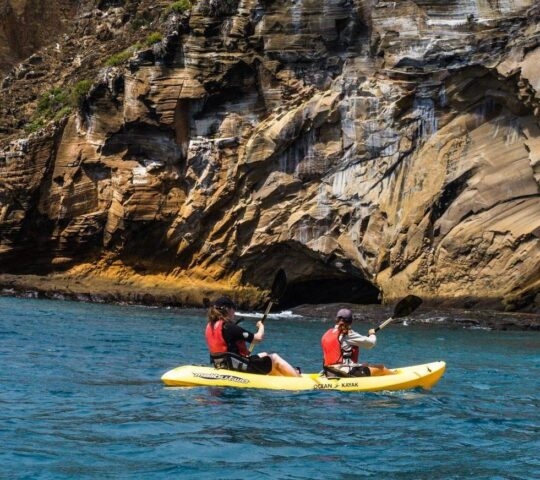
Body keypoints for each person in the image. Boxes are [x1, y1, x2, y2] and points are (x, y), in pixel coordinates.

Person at [205, 296, 301, 377]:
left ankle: (283, 376)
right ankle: (297, 379)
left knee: (264, 354)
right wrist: (261, 327)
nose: (234, 312)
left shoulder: (209, 326)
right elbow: (257, 338)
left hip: (222, 364)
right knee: (274, 357)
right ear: (228, 309)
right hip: (238, 367)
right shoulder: (230, 327)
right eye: (233, 308)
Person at [321, 308, 393, 377]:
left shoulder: (327, 333)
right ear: (350, 322)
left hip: (329, 371)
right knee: (381, 368)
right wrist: (372, 334)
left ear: (336, 320)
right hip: (344, 372)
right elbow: (371, 343)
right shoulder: (348, 333)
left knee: (365, 364)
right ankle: (395, 376)